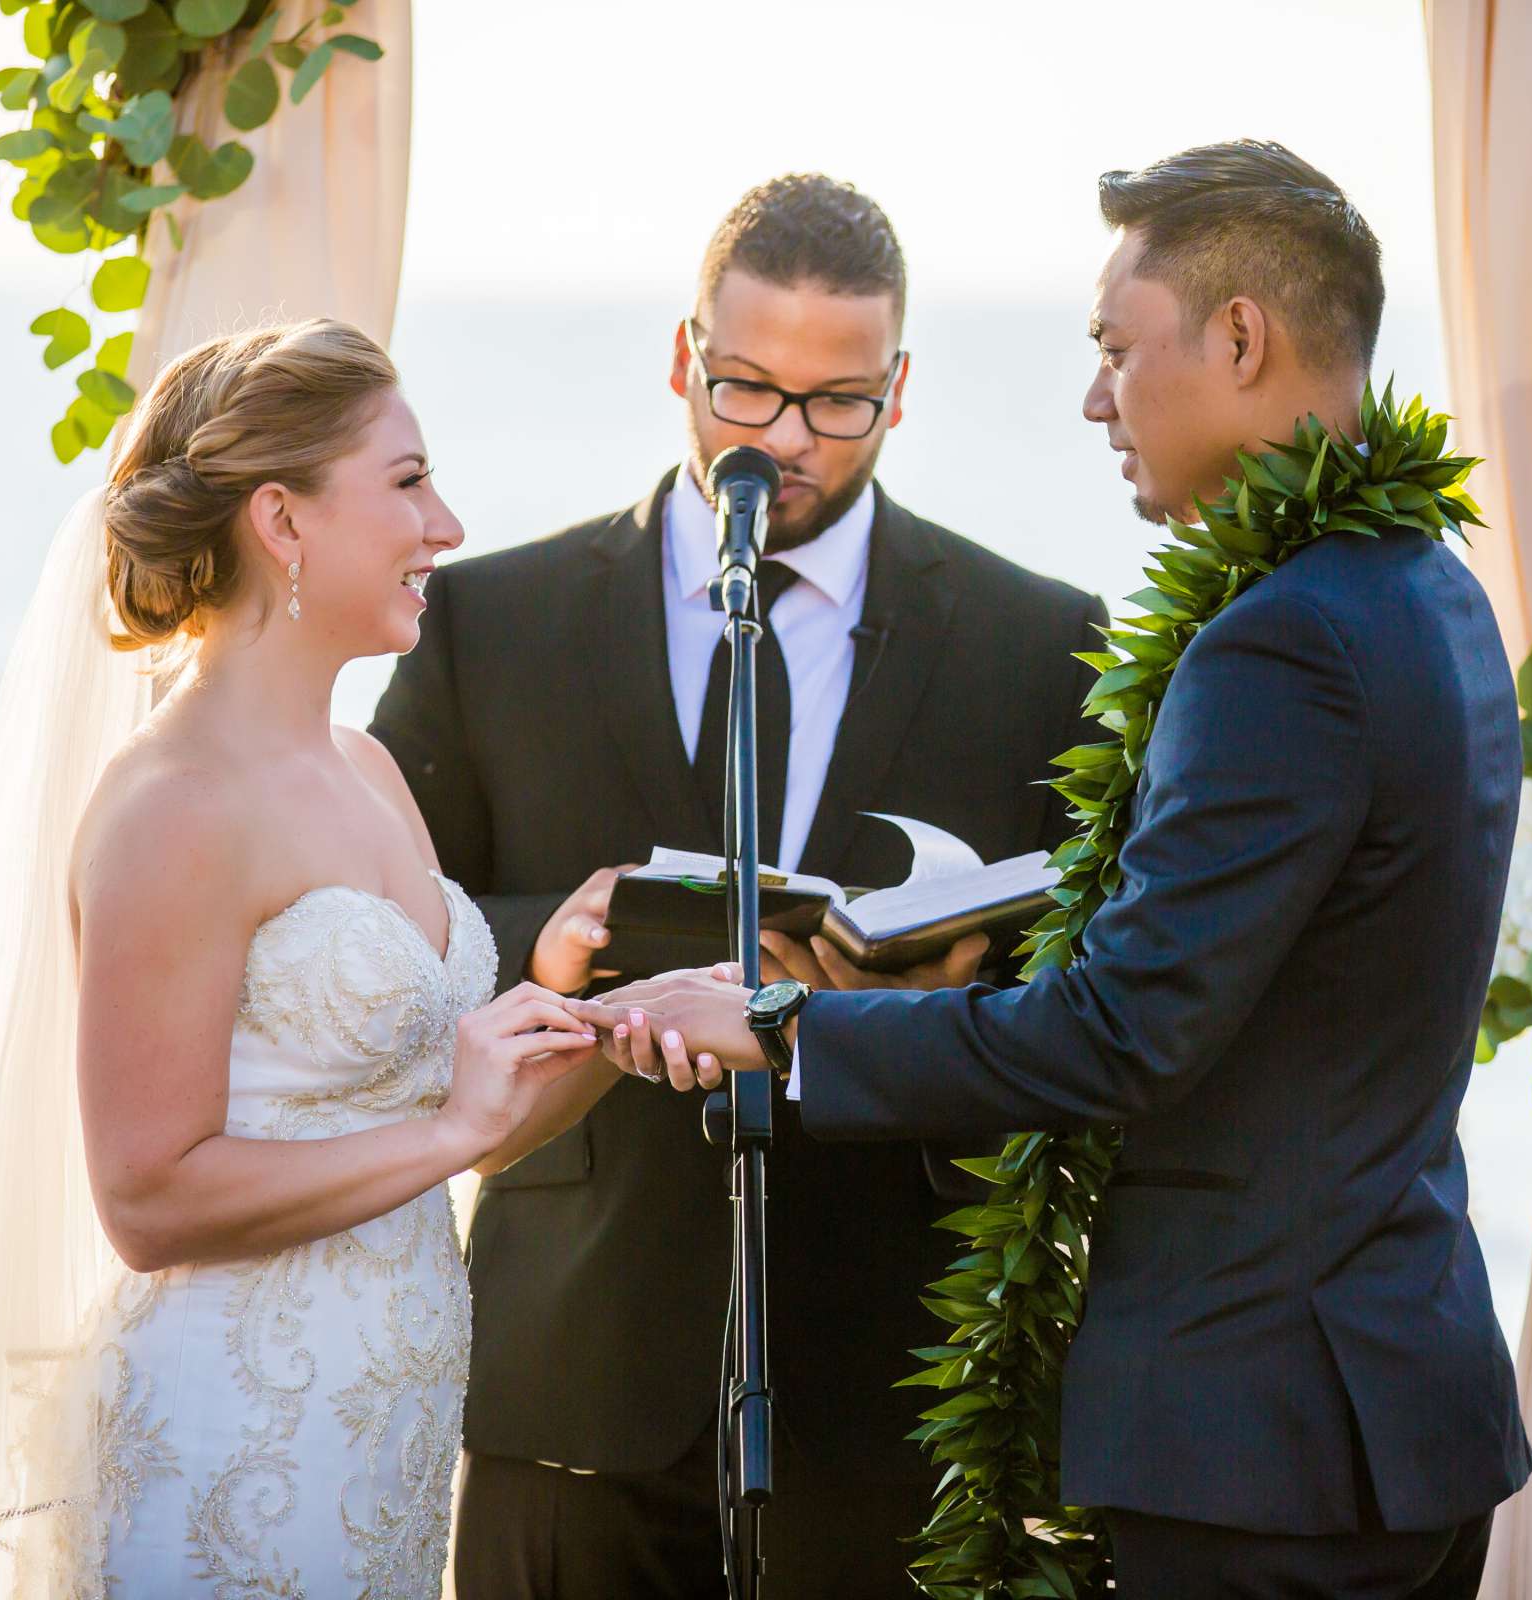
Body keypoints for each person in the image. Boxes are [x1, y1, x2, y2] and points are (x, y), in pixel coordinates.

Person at [573, 140, 1532, 1600]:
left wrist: (777, 1027)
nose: (1094, 398)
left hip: (1257, 1437)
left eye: (1113, 349)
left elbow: (1123, 1033)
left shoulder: (1278, 640)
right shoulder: (1428, 589)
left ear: (1238, 336)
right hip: (1390, 1391)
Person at [0, 321, 654, 1599]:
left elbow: (453, 1120)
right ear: (283, 519)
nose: (449, 526)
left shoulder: (368, 772)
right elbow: (147, 1199)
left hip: (386, 1438)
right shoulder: (174, 804)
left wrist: (619, 1010)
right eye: (409, 482)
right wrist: (451, 1132)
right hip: (233, 1442)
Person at [368, 175, 1106, 1597]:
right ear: (679, 359)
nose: (785, 439)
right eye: (746, 389)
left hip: (888, 1387)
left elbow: (1087, 1001)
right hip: (569, 1371)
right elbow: (388, 924)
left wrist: (947, 993)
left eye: (840, 403)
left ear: (900, 391)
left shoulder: (1043, 644)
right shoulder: (489, 622)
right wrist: (563, 941)